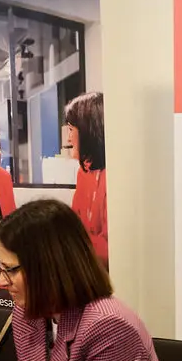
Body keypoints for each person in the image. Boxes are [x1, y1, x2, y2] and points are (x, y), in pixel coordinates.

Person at [0, 198, 174, 361]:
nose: (1, 282)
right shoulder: (28, 315)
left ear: (49, 267)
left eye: (10, 269)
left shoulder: (110, 327)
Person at [63, 92, 108, 267]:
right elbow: (74, 223)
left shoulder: (114, 177)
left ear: (88, 131)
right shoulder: (84, 172)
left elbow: (109, 250)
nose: (68, 138)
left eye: (71, 130)